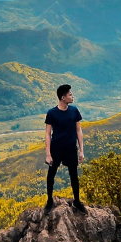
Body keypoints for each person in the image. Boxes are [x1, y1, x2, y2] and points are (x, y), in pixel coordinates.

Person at [44, 84, 87, 214]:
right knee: (51, 174)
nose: (72, 96)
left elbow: (79, 131)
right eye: (70, 94)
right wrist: (48, 154)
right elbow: (47, 134)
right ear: (63, 98)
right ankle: (49, 201)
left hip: (70, 148)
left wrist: (81, 150)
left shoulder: (74, 111)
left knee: (74, 175)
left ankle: (77, 201)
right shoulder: (52, 113)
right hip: (56, 148)